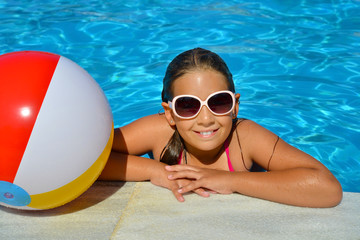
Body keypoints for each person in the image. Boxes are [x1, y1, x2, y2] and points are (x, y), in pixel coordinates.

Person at [99, 48, 342, 207]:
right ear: (170, 113)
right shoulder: (159, 131)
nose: (206, 119)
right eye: (187, 105)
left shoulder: (245, 138)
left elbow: (326, 188)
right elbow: (86, 160)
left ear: (235, 105)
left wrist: (230, 180)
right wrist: (157, 170)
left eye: (219, 102)